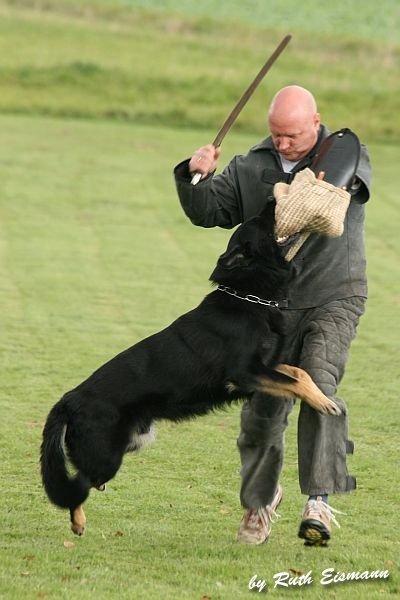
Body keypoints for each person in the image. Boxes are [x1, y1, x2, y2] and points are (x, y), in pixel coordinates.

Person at [173, 85, 371, 546]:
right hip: (267, 307)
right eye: (276, 134)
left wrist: (300, 189)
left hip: (332, 295)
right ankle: (261, 501)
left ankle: (319, 501)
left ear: (315, 122)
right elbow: (209, 212)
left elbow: (330, 197)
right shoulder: (250, 166)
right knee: (261, 411)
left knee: (318, 383)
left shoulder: (345, 153)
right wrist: (195, 178)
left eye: (293, 135)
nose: (283, 143)